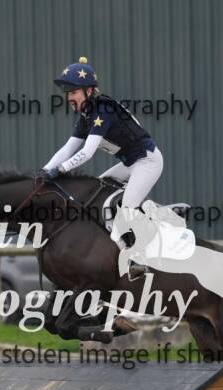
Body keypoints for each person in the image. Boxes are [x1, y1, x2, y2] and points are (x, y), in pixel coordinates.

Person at [38, 57, 164, 250]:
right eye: (67, 93)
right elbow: (68, 149)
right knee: (96, 192)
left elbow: (87, 153)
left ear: (89, 91)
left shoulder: (103, 110)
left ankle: (137, 255)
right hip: (130, 164)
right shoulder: (87, 116)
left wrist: (59, 170)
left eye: (73, 92)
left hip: (148, 161)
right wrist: (44, 170)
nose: (69, 98)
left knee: (127, 209)